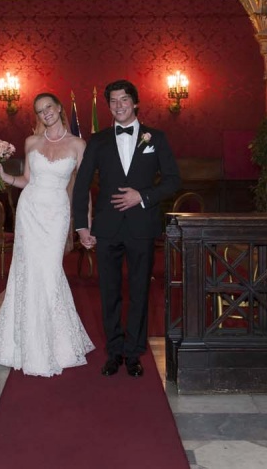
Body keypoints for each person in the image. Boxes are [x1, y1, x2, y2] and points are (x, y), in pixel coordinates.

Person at [71, 79, 181, 378]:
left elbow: (173, 180)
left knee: (140, 291)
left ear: (135, 103)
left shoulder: (155, 138)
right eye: (114, 101)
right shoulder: (98, 140)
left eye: (124, 100)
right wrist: (82, 226)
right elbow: (81, 186)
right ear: (109, 106)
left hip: (141, 227)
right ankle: (114, 351)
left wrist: (142, 196)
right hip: (106, 228)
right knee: (108, 293)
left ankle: (134, 353)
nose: (119, 105)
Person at [0, 92, 94, 376]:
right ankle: (22, 344)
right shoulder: (31, 142)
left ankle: (56, 343)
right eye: (39, 110)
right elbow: (25, 181)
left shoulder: (78, 145)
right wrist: (2, 174)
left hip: (57, 213)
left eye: (48, 107)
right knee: (26, 271)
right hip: (29, 211)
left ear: (59, 108)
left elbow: (82, 191)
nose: (45, 113)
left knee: (49, 272)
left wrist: (85, 226)